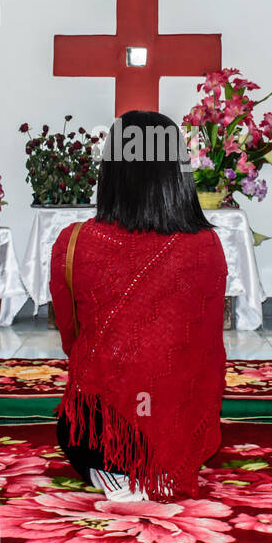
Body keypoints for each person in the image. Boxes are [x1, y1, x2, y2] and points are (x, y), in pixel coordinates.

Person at [49, 110, 228, 502]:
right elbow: (208, 350)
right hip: (179, 430)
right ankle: (165, 462)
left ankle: (120, 472)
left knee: (84, 402)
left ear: (112, 169)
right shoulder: (206, 246)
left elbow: (70, 337)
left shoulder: (73, 241)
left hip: (96, 443)